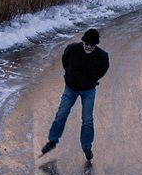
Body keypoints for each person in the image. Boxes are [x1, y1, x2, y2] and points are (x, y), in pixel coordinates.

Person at [40, 28, 109, 162]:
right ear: (83, 41)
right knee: (61, 115)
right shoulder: (72, 49)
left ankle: (87, 147)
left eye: (92, 45)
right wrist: (70, 76)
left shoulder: (102, 56)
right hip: (70, 88)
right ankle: (52, 141)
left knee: (87, 119)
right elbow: (65, 62)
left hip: (88, 90)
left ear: (96, 45)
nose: (89, 47)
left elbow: (103, 69)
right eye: (87, 44)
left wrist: (94, 79)